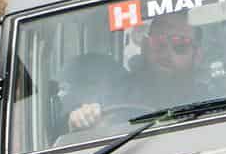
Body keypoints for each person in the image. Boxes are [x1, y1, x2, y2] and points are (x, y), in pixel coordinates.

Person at [66, 11, 203, 132]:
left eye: (180, 45)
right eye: (158, 43)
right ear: (144, 46)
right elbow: (89, 124)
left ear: (197, 56)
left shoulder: (209, 100)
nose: (167, 53)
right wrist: (82, 121)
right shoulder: (113, 94)